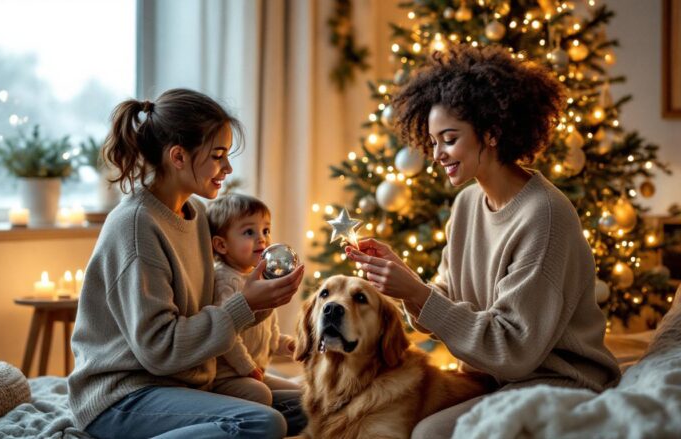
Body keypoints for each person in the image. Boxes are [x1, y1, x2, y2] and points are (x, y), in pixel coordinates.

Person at [346, 44, 621, 439]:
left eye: (449, 139)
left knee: (428, 433)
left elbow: (513, 350)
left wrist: (420, 296)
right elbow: (449, 299)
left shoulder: (544, 215)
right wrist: (407, 283)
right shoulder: (467, 203)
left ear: (491, 133)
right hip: (494, 377)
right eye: (433, 141)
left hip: (558, 381)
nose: (438, 154)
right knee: (387, 412)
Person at [68, 88, 306, 439]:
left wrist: (261, 302)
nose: (227, 168)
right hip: (123, 396)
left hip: (184, 384)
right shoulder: (137, 227)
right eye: (218, 155)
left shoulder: (195, 217)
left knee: (320, 403)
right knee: (261, 422)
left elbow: (208, 313)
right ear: (178, 156)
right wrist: (245, 305)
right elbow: (160, 350)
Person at [206, 194, 302, 406]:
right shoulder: (225, 281)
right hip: (227, 377)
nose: (262, 239)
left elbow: (269, 332)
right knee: (261, 394)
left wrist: (288, 345)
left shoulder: (261, 279)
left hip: (256, 371)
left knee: (304, 395)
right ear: (222, 245)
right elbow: (226, 335)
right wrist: (247, 367)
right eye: (249, 232)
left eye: (266, 230)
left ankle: (278, 411)